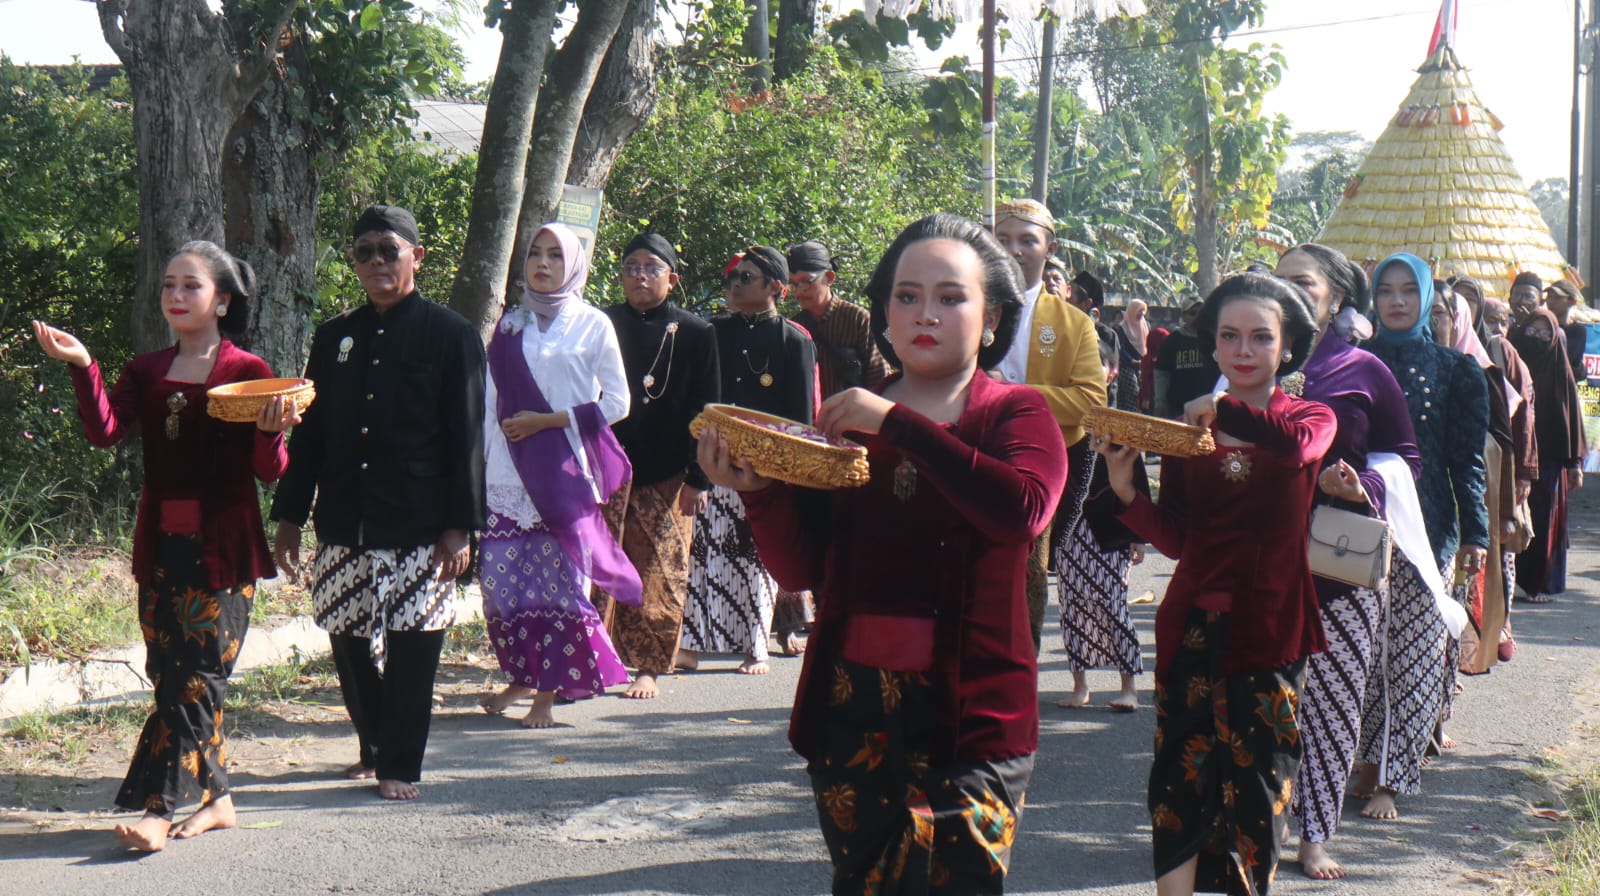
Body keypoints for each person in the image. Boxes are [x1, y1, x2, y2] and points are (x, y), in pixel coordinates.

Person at [700, 213, 1068, 894]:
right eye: (907, 295)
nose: (925, 313)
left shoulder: (1017, 414)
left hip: (975, 720)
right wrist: (758, 494)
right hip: (852, 713)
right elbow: (803, 569)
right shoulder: (843, 421)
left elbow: (1020, 512)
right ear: (884, 313)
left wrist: (898, 424)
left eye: (951, 297)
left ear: (991, 319)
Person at [33, 241, 297, 851]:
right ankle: (220, 800)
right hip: (160, 547)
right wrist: (83, 365)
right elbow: (105, 431)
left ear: (222, 300)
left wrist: (273, 433)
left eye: (191, 286)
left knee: (197, 681)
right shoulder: (147, 370)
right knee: (169, 677)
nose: (176, 296)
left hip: (223, 551)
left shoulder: (249, 373)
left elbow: (269, 470)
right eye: (169, 286)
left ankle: (158, 809)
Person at [1093, 272, 1334, 896]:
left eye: (1260, 337)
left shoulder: (1310, 417)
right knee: (1178, 780)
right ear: (1215, 343)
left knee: (1259, 787)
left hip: (1270, 632)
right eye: (1230, 336)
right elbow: (1177, 537)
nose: (1244, 350)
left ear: (1286, 347)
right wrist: (1125, 490)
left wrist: (1222, 408)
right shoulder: (1187, 433)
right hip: (1191, 628)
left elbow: (1298, 451)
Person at [271, 205, 486, 801]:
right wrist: (290, 517)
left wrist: (460, 527)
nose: (374, 263)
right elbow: (310, 436)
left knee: (416, 641)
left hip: (423, 522)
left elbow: (470, 437)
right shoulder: (334, 336)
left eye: (387, 250)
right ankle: (373, 744)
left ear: (416, 256)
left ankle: (400, 764)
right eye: (363, 251)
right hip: (345, 516)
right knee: (347, 635)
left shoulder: (453, 335)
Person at [1272, 243, 1420, 880]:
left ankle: (1312, 838)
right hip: (1262, 557)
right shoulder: (1247, 361)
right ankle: (1257, 819)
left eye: (1303, 283)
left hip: (1342, 560)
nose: (1289, 293)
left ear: (1335, 297)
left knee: (1332, 703)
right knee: (1265, 701)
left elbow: (1404, 458)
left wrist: (1362, 487)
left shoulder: (1364, 369)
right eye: (1278, 282)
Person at [475, 222, 635, 727]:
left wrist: (549, 421)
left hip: (564, 473)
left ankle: (548, 690)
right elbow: (489, 401)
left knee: (561, 585)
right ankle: (522, 675)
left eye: (555, 256)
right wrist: (480, 465)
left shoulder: (592, 325)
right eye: (535, 254)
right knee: (503, 587)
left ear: (574, 267)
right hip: (506, 473)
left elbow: (618, 402)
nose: (543, 264)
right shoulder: (509, 324)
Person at [1354, 254, 1488, 822]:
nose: (1398, 301)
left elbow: (1467, 461)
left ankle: (1392, 777)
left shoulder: (1457, 370)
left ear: (1428, 296)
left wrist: (1475, 531)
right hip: (1357, 529)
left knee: (1413, 656)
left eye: (1410, 290)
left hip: (1427, 531)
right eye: (1386, 291)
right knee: (1359, 653)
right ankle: (1359, 759)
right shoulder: (1352, 364)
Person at [679, 246, 818, 675]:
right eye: (733, 276)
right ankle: (691, 644)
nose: (734, 285)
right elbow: (695, 404)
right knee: (702, 556)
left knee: (757, 558)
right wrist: (695, 473)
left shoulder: (793, 340)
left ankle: (755, 645)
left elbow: (800, 421)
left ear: (775, 288)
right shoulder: (711, 332)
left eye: (746, 278)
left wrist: (786, 479)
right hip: (712, 460)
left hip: (763, 472)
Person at [597, 234, 720, 699]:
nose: (640, 276)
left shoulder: (696, 331)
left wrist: (698, 476)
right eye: (631, 267)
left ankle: (648, 665)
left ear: (673, 277)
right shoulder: (601, 323)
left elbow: (706, 408)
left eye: (651, 267)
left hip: (667, 470)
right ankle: (596, 655)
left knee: (659, 570)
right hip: (605, 467)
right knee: (600, 564)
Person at [993, 198, 1107, 650]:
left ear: (1048, 248)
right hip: (966, 453)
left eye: (1027, 240)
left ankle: (1019, 667)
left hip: (1036, 465)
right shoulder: (964, 306)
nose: (1014, 250)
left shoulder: (1073, 323)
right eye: (1003, 239)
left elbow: (1089, 402)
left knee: (1027, 575)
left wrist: (1014, 396)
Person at [1430, 285, 1519, 674]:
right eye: (1426, 314)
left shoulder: (1478, 370)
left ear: (1459, 319)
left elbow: (1504, 439)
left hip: (1471, 500)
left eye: (1440, 315)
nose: (1433, 324)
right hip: (1423, 502)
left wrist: (1508, 502)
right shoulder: (1390, 365)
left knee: (1461, 596)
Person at [1055, 331, 1145, 712]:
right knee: (1071, 605)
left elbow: (1137, 480)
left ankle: (1128, 688)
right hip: (1067, 530)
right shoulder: (1058, 419)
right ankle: (1080, 686)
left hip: (1110, 531)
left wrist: (1138, 534)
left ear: (1112, 373)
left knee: (1114, 605)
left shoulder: (1122, 424)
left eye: (1099, 365)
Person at [1510, 305, 1586, 602]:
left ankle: (1538, 584)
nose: (1538, 338)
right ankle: (1511, 579)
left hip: (1551, 461)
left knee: (1544, 523)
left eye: (1545, 332)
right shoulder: (1513, 364)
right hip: (1515, 455)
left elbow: (1572, 421)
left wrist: (1575, 464)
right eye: (1532, 330)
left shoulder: (1560, 369)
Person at [788, 240, 889, 397]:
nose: (799, 291)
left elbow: (880, 379)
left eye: (806, 282)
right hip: (808, 419)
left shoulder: (858, 320)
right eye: (794, 284)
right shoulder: (794, 327)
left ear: (829, 278)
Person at [1153, 299, 1222, 419]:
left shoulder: (1215, 340)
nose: (1197, 317)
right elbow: (1162, 374)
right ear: (1183, 316)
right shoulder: (1172, 341)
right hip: (1178, 407)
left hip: (1209, 406)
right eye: (1193, 313)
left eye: (1201, 313)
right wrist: (1160, 403)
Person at [1544, 280, 1590, 386]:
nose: (1550, 301)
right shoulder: (1540, 326)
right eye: (1549, 297)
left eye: (1557, 298)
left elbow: (1566, 361)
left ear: (1572, 301)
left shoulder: (1576, 331)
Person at [1114, 298, 1150, 412]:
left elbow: (1148, 345)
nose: (1141, 314)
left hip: (1142, 366)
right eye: (1139, 311)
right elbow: (1121, 349)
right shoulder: (1123, 328)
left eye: (1143, 311)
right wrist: (1131, 360)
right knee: (1132, 395)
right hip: (1127, 367)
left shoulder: (1145, 326)